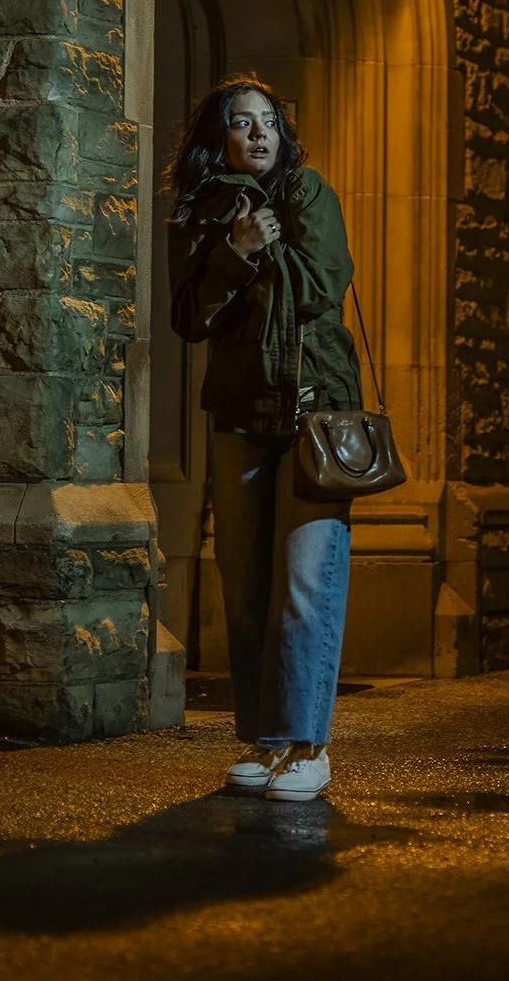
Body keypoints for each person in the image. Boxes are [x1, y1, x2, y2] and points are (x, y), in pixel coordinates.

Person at [165, 74, 365, 803]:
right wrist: (236, 248)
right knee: (246, 589)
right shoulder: (198, 211)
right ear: (217, 136)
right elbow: (191, 317)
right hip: (240, 414)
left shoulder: (306, 192)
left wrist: (250, 258)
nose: (258, 134)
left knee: (305, 583)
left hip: (315, 411)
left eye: (269, 123)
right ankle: (267, 741)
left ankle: (310, 746)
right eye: (242, 123)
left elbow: (321, 284)